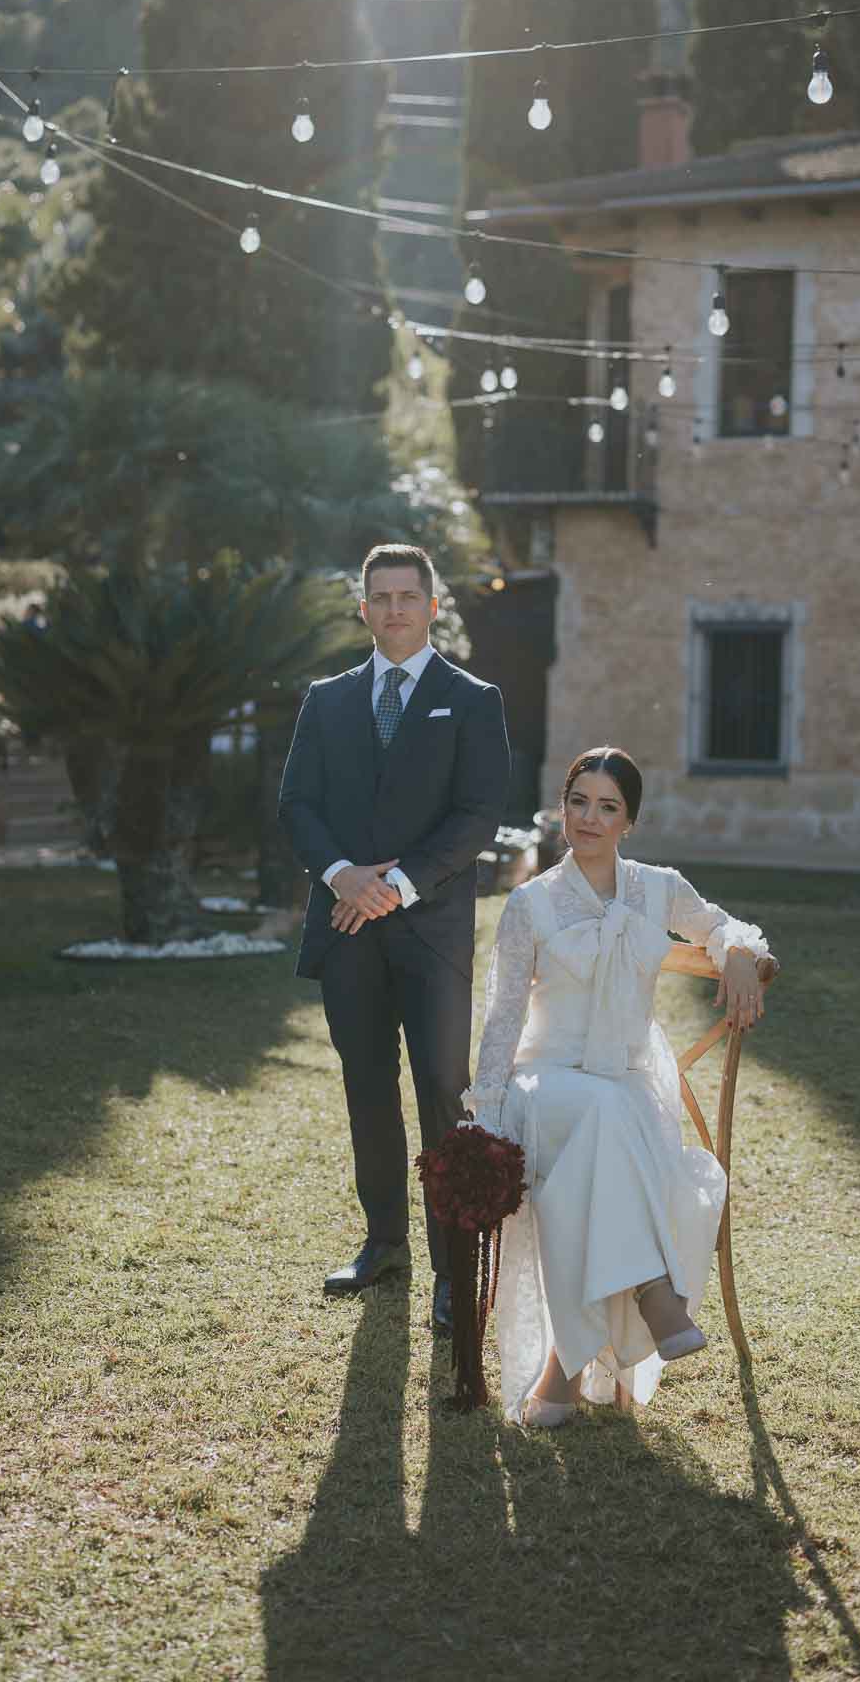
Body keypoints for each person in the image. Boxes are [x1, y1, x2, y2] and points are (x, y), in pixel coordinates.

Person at [465, 747, 773, 1426]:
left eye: (607, 807)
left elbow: (721, 926)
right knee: (603, 1121)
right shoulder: (531, 903)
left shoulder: (657, 888)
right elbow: (503, 1014)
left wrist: (743, 956)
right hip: (543, 1085)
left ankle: (559, 1378)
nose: (589, 818)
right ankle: (651, 1293)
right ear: (562, 805)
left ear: (628, 820)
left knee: (604, 1142)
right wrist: (485, 1110)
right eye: (578, 801)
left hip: (630, 1086)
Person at [278, 544, 510, 1334]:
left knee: (443, 1091)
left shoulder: (472, 699)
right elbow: (296, 805)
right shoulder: (327, 698)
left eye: (408, 595)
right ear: (363, 608)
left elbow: (477, 814)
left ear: (432, 605)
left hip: (432, 933)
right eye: (379, 597)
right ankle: (383, 1244)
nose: (394, 610)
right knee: (365, 1088)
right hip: (346, 929)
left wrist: (394, 887)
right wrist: (342, 874)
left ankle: (453, 1270)